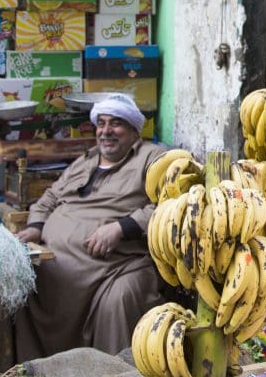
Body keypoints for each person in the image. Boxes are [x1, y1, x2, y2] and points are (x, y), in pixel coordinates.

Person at [14, 94, 165, 361]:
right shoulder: (87, 159)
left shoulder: (153, 158)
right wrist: (36, 226)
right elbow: (49, 197)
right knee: (14, 287)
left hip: (111, 265)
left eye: (116, 124)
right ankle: (34, 374)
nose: (106, 131)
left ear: (133, 130)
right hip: (53, 262)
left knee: (120, 297)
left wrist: (122, 227)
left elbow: (174, 202)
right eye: (101, 123)